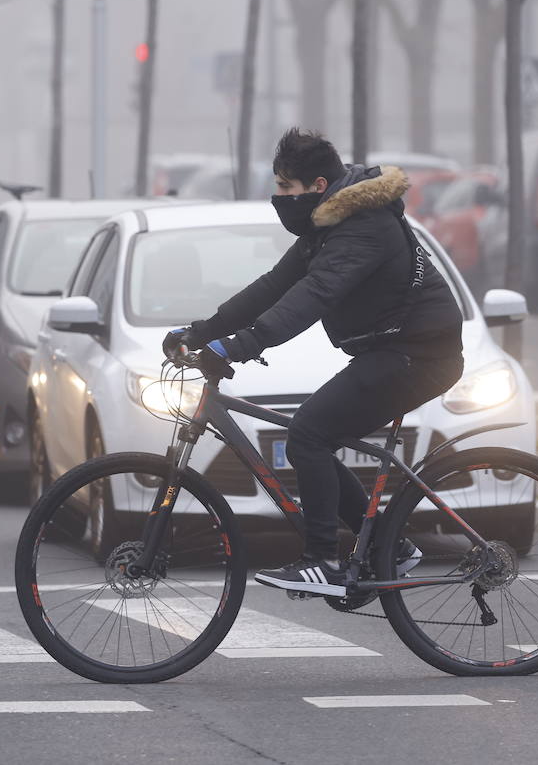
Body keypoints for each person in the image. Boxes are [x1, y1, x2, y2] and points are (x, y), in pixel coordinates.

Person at [179, 128, 464, 598]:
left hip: (422, 353)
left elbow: (314, 296)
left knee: (308, 434)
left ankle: (324, 560)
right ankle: (392, 549)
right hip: (391, 347)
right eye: (275, 186)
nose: (278, 197)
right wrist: (202, 331)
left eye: (285, 188)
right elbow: (273, 286)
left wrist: (241, 346)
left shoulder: (363, 224)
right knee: (314, 436)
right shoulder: (327, 223)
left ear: (315, 185)